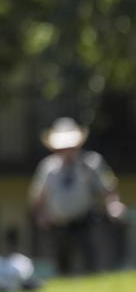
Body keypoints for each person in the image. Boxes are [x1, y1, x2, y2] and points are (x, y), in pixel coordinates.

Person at [29, 117, 126, 275]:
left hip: (85, 222)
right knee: (62, 267)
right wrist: (41, 215)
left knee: (90, 263)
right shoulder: (48, 167)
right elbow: (37, 197)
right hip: (58, 225)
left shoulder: (91, 162)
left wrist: (113, 205)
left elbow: (108, 189)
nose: (67, 150)